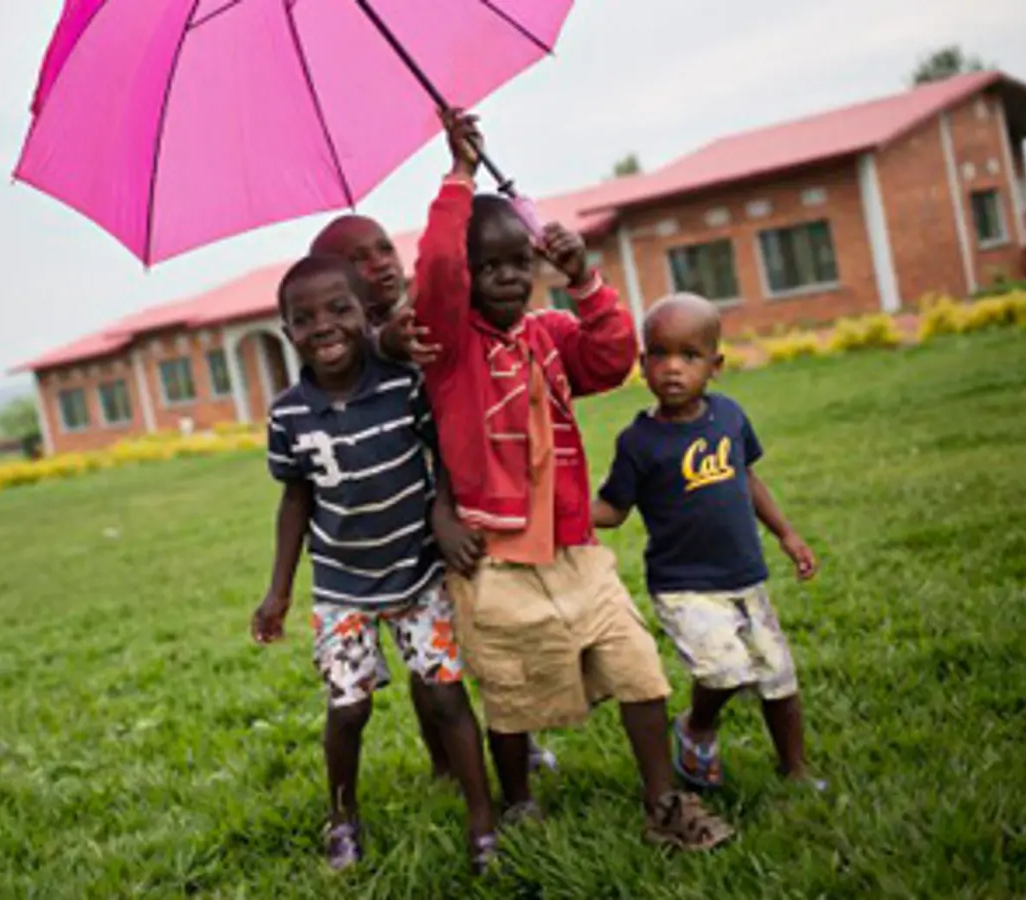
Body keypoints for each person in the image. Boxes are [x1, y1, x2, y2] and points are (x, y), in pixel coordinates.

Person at [412, 109, 734, 850]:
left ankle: (663, 805)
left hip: (576, 547)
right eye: (487, 265)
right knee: (512, 689)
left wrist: (585, 278)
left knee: (637, 664)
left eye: (519, 262)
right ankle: (518, 797)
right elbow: (433, 270)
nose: (507, 276)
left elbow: (613, 355)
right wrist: (459, 174)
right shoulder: (449, 348)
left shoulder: (551, 335)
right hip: (495, 557)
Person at [250, 254, 498, 872]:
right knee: (348, 708)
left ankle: (482, 822)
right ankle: (342, 818)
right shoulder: (287, 414)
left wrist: (444, 517)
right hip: (342, 587)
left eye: (339, 309)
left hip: (417, 574)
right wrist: (278, 590)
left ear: (367, 316)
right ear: (287, 333)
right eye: (303, 318)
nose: (324, 326)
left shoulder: (401, 382)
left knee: (446, 697)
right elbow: (296, 498)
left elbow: (442, 455)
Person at [309, 214, 559, 780]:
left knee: (487, 632)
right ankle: (447, 763)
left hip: (463, 500)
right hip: (395, 531)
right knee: (430, 662)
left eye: (382, 247)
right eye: (359, 258)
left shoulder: (424, 318)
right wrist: (381, 344)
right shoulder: (347, 353)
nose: (381, 262)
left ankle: (517, 741)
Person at [592, 292, 823, 790]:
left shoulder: (730, 417)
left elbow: (748, 479)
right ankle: (697, 726)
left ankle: (796, 768)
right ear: (642, 364)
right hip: (684, 585)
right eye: (660, 354)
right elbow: (614, 509)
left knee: (778, 676)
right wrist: (561, 512)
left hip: (745, 575)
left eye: (689, 356)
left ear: (714, 365)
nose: (673, 368)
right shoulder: (639, 442)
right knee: (724, 671)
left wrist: (786, 534)